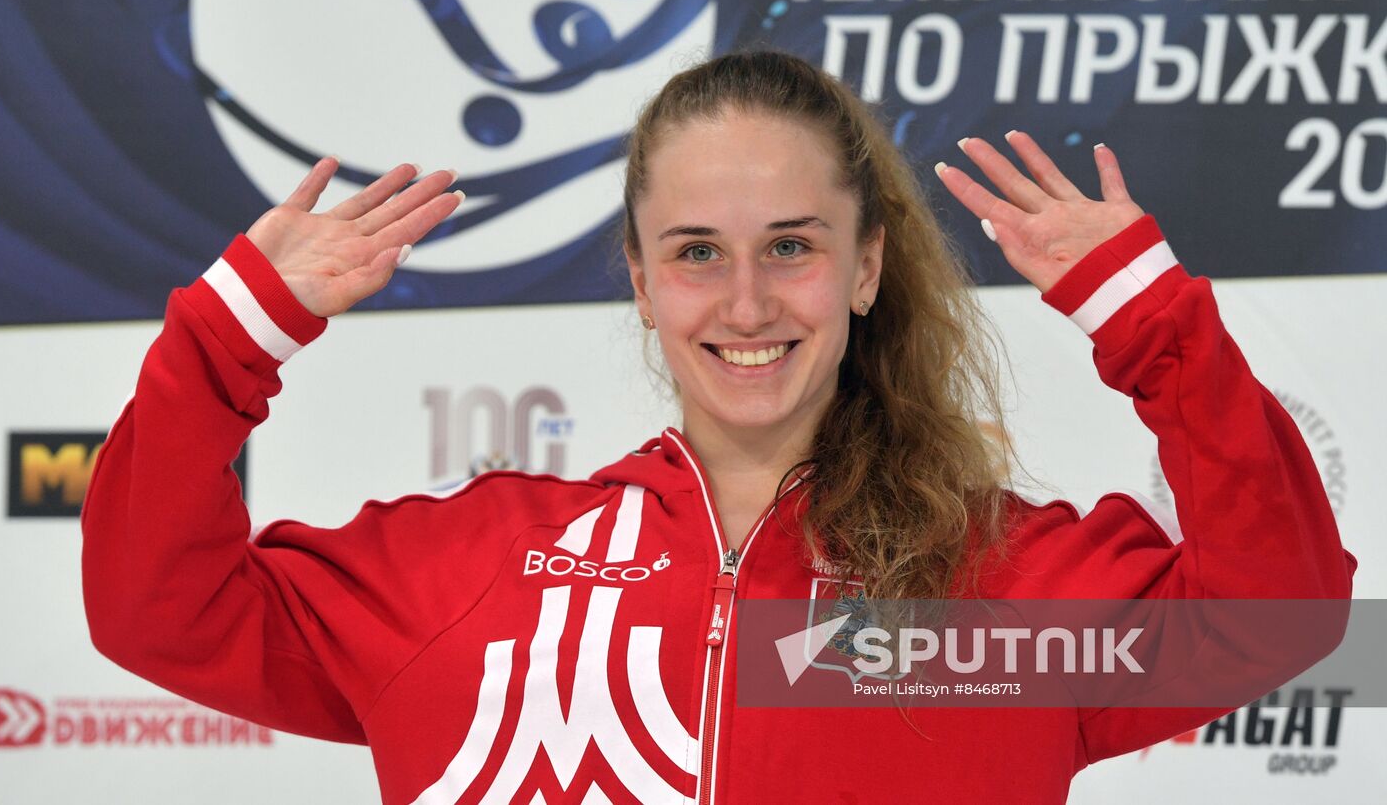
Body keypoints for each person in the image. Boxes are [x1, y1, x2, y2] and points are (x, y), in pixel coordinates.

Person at [81, 50, 1355, 804]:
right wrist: (229, 336)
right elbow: (159, 609)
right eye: (696, 252)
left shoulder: (994, 599)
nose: (746, 303)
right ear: (640, 279)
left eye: (790, 248)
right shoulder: (462, 576)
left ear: (863, 269)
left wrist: (1150, 319)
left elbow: (1279, 618)